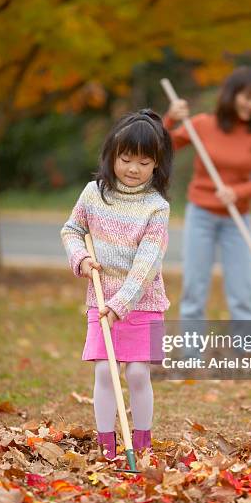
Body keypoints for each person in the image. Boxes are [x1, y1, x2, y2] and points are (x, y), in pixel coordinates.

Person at [60, 109, 173, 460]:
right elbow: (71, 230)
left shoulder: (156, 207)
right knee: (105, 373)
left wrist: (120, 305)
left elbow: (146, 265)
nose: (133, 168)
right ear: (111, 155)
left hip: (142, 303)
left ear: (157, 165)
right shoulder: (94, 194)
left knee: (138, 374)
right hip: (100, 299)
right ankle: (107, 444)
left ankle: (141, 441)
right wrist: (81, 258)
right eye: (126, 158)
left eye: (144, 161)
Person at [163, 65, 251, 322]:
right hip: (200, 216)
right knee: (194, 290)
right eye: (247, 97)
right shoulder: (201, 124)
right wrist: (170, 118)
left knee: (242, 294)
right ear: (232, 94)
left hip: (237, 220)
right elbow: (161, 145)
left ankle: (246, 357)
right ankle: (192, 357)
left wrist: (237, 192)